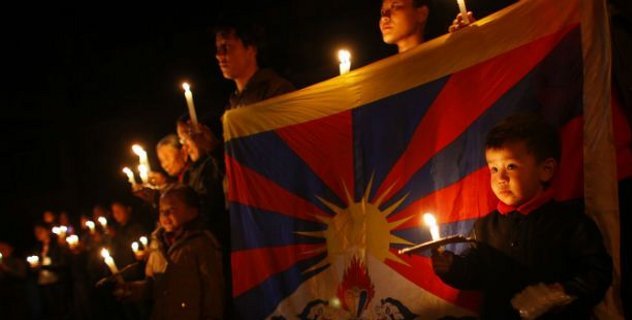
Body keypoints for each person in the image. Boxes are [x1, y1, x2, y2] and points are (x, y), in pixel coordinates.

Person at [430, 113, 613, 319]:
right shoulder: (485, 227)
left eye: (511, 166)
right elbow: (476, 272)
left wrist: (559, 293)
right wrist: (452, 267)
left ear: (545, 170)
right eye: (494, 168)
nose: (501, 178)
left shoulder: (571, 223)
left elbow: (598, 273)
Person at [119, 184, 225, 320]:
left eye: (171, 209)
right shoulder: (157, 243)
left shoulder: (201, 244)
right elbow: (154, 284)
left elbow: (213, 291)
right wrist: (137, 290)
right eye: (161, 210)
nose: (164, 215)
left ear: (192, 212)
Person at [214, 14, 294, 110]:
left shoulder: (277, 91)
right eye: (218, 48)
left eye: (226, 47)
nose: (219, 55)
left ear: (251, 49)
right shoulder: (232, 104)